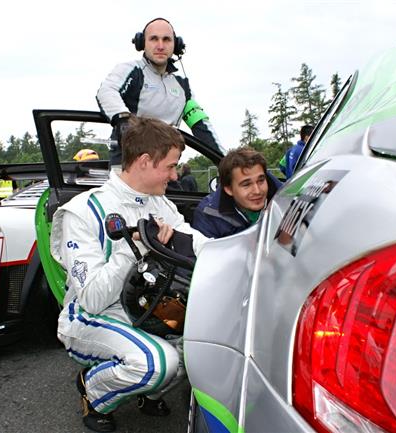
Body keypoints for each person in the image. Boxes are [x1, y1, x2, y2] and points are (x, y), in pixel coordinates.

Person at [50, 116, 208, 432]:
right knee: (159, 364)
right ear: (145, 161)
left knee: (198, 351)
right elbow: (92, 298)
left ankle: (146, 390)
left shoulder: (159, 203)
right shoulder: (82, 212)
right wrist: (131, 248)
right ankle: (93, 391)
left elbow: (198, 243)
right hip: (88, 316)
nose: (176, 175)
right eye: (171, 166)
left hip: (145, 308)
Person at [96, 17, 221, 167]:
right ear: (142, 43)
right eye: (154, 39)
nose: (160, 46)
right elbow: (106, 91)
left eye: (166, 40)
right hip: (129, 164)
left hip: (165, 167)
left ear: (176, 45)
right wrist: (124, 121)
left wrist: (226, 161)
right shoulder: (131, 70)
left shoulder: (182, 85)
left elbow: (200, 125)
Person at [192, 147, 281, 239]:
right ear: (229, 189)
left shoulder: (286, 199)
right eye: (246, 184)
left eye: (261, 181)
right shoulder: (209, 214)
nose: (257, 191)